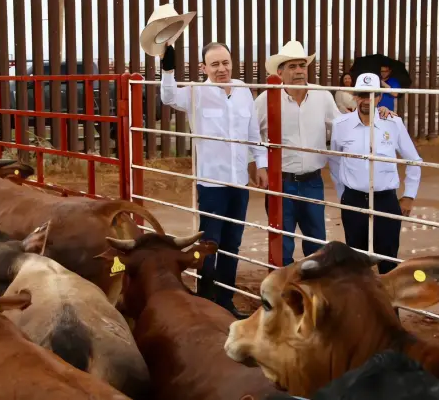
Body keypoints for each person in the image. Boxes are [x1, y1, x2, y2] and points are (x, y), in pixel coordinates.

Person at [254, 42, 395, 267]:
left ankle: (314, 297)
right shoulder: (265, 100)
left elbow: (344, 124)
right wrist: (260, 165)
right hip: (280, 183)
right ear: (279, 72)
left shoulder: (322, 96)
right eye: (292, 66)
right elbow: (253, 134)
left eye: (302, 65)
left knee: (317, 244)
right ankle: (281, 297)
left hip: (313, 182)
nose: (299, 70)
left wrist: (376, 113)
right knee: (281, 244)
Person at [159, 42, 267, 319]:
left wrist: (261, 165)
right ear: (204, 68)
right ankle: (207, 300)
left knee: (233, 242)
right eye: (215, 64)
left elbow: (254, 133)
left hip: (239, 182)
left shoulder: (243, 91)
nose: (222, 69)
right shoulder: (196, 92)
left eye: (226, 63)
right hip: (211, 183)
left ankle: (226, 300)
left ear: (233, 63)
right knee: (210, 243)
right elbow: (168, 96)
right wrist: (168, 68)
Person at [329, 73, 421, 275]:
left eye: (372, 95)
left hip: (385, 201)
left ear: (379, 97)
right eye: (362, 94)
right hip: (354, 200)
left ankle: (389, 307)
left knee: (388, 261)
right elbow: (335, 161)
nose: (366, 100)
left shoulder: (393, 123)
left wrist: (408, 196)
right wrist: (342, 194)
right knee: (355, 261)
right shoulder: (341, 125)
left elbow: (414, 160)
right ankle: (359, 306)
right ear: (355, 95)